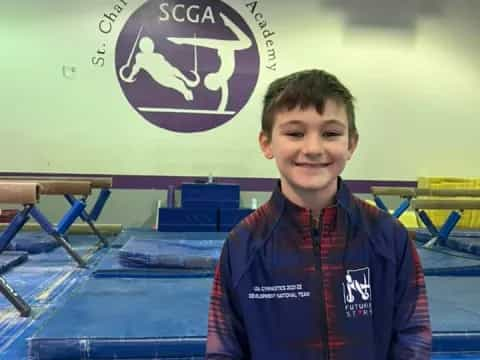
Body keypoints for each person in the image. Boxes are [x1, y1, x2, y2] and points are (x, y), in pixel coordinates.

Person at [206, 69, 431, 359]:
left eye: (331, 133)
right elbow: (224, 348)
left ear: (351, 144)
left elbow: (413, 337)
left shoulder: (387, 236)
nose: (313, 148)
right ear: (266, 143)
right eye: (295, 133)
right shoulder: (244, 244)